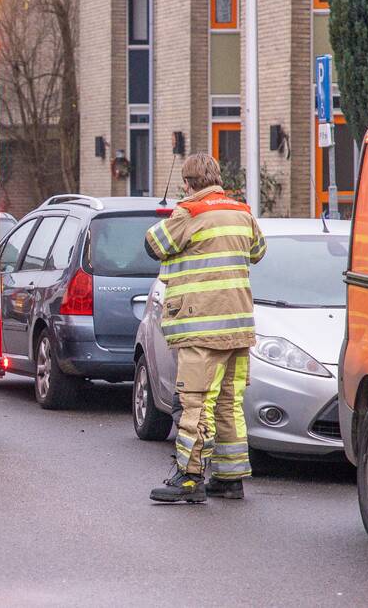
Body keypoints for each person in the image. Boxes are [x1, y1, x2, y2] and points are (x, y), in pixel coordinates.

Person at [144, 154, 266, 503]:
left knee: (194, 402)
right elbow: (258, 251)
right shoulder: (242, 212)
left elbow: (153, 246)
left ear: (187, 183)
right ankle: (230, 478)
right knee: (228, 403)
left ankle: (189, 477)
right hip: (238, 327)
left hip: (200, 326)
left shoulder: (189, 212)